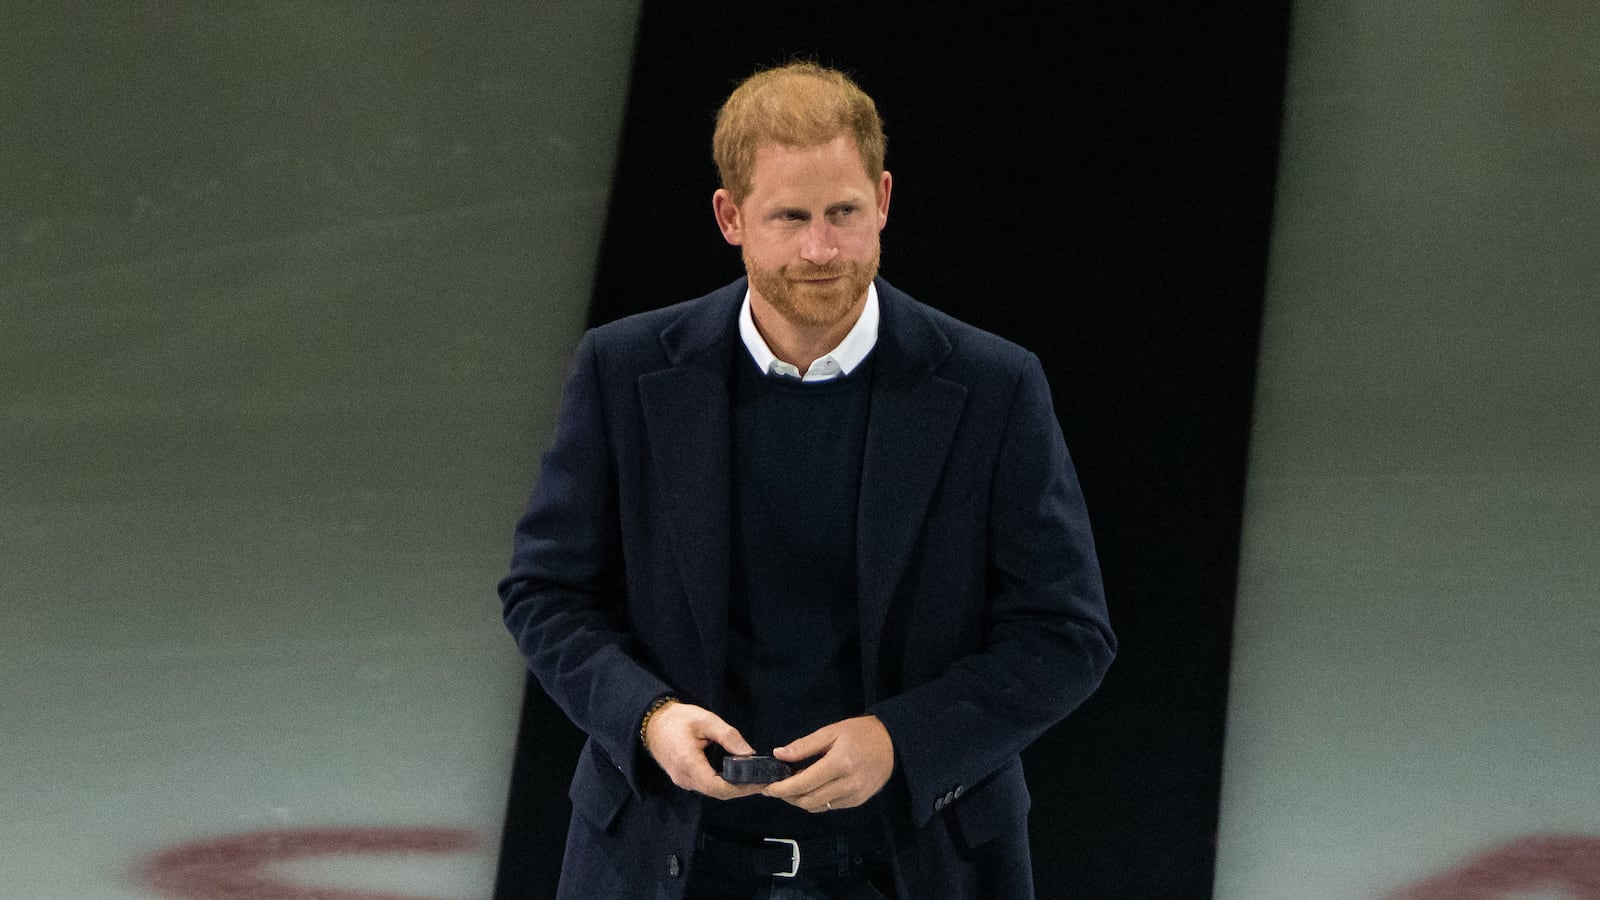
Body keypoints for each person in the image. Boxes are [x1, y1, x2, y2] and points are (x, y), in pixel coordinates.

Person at [499, 61, 1115, 900]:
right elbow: (545, 590)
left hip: (911, 867)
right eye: (790, 217)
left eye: (844, 214)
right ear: (731, 217)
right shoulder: (624, 370)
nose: (822, 249)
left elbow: (1066, 634)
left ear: (885, 201)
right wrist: (648, 720)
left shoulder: (994, 388)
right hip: (665, 863)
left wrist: (903, 742)